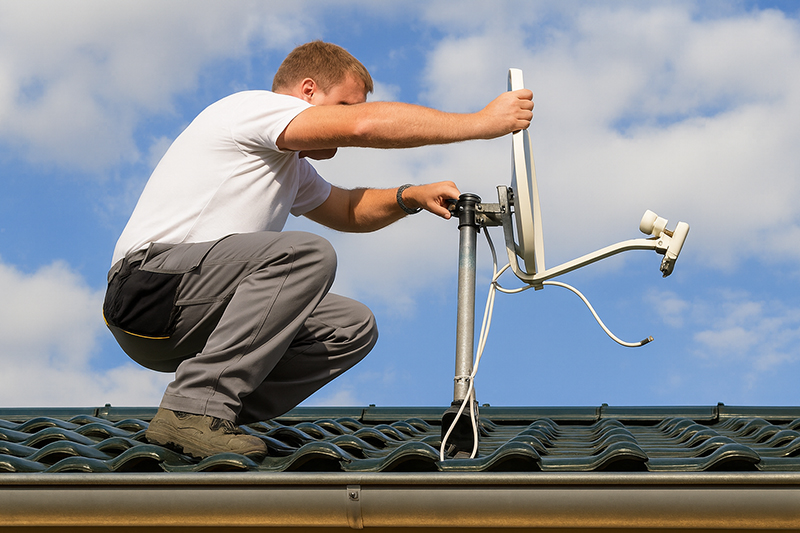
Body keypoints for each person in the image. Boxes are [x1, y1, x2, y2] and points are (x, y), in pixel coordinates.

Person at [103, 41, 533, 459]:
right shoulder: (253, 109)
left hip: (189, 312)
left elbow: (346, 209)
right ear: (308, 92)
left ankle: (214, 418)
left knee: (350, 325)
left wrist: (409, 196)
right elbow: (363, 126)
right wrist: (481, 123)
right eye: (347, 104)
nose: (352, 118)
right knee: (304, 255)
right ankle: (193, 407)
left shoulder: (290, 167)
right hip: (148, 290)